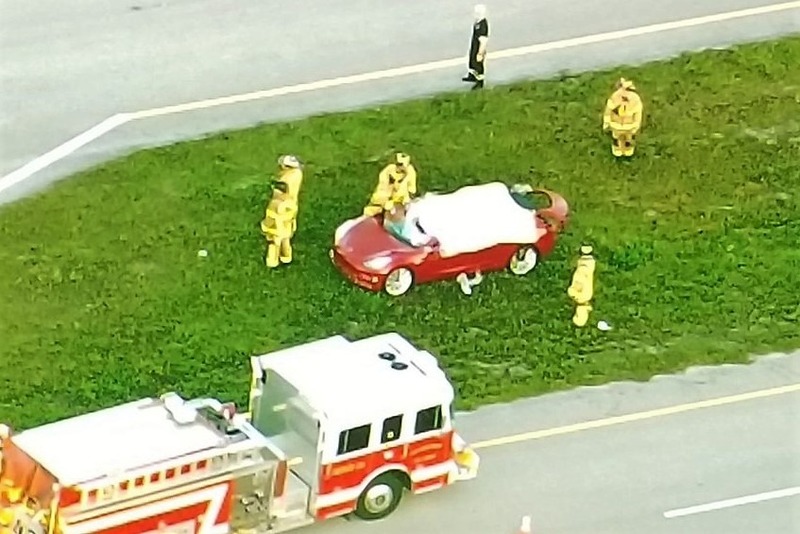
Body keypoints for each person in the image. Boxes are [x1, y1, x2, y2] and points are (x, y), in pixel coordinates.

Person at [602, 78, 644, 157]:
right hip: (623, 124)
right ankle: (622, 147)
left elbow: (608, 111)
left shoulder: (616, 96)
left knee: (622, 136)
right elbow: (638, 113)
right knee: (622, 136)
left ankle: (622, 147)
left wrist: (606, 123)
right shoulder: (633, 98)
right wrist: (637, 125)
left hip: (622, 124)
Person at [260, 183, 299, 268]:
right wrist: (293, 227)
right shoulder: (291, 203)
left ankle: (272, 261)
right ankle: (286, 257)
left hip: (277, 230)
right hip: (287, 229)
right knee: (286, 243)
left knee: (274, 245)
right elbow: (293, 217)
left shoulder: (274, 204)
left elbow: (270, 218)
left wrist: (265, 226)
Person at [567, 245, 596, 326]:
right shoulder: (583, 296)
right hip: (584, 270)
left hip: (585, 269)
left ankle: (586, 255)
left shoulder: (584, 297)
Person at [462, 4, 489, 89]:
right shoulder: (478, 22)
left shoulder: (483, 25)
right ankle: (472, 75)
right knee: (472, 61)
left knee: (478, 65)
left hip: (479, 48)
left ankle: (480, 82)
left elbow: (483, 41)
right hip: (475, 46)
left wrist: (480, 53)